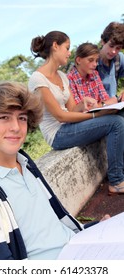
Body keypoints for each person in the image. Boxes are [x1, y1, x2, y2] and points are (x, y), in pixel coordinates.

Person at [0, 81, 102, 260]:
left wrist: (96, 230)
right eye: (4, 117)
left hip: (80, 248)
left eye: (22, 118)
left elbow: (52, 230)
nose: (16, 127)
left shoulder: (25, 164)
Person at [28, 31, 124, 195]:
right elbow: (60, 116)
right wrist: (95, 115)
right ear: (55, 46)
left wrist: (84, 102)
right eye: (67, 48)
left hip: (70, 125)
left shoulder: (62, 76)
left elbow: (72, 109)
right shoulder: (38, 79)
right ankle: (116, 181)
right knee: (116, 123)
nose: (69, 52)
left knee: (120, 116)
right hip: (58, 134)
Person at [67, 42, 117, 106]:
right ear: (78, 60)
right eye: (90, 60)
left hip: (100, 113)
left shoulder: (95, 74)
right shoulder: (69, 79)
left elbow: (105, 98)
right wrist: (102, 104)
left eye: (96, 61)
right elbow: (80, 108)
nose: (95, 64)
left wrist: (101, 104)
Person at [97, 21, 124, 99]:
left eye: (118, 48)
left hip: (115, 106)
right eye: (111, 46)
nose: (113, 51)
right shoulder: (92, 61)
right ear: (103, 41)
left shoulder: (119, 58)